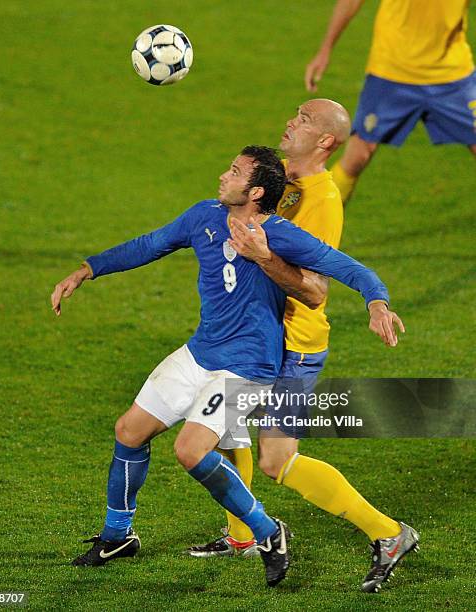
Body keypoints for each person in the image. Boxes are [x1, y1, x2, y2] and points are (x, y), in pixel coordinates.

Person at [51, 145, 401, 588]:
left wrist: (377, 302)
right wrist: (87, 270)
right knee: (128, 431)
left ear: (255, 191)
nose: (222, 175)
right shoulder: (204, 216)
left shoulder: (277, 234)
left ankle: (269, 534)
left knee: (190, 450)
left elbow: (347, 269)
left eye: (233, 171)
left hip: (248, 365)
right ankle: (118, 535)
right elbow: (151, 244)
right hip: (201, 352)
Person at [186, 100, 418, 594]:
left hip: (294, 345)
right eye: (295, 113)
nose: (292, 121)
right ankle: (243, 535)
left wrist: (374, 300)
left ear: (326, 143)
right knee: (225, 426)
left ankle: (389, 533)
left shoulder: (321, 200)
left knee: (275, 459)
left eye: (305, 119)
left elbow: (314, 288)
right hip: (254, 337)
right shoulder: (280, 181)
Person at [305, 0, 476, 204]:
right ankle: (313, 230)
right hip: (391, 72)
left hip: (451, 73)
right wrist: (326, 48)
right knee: (357, 156)